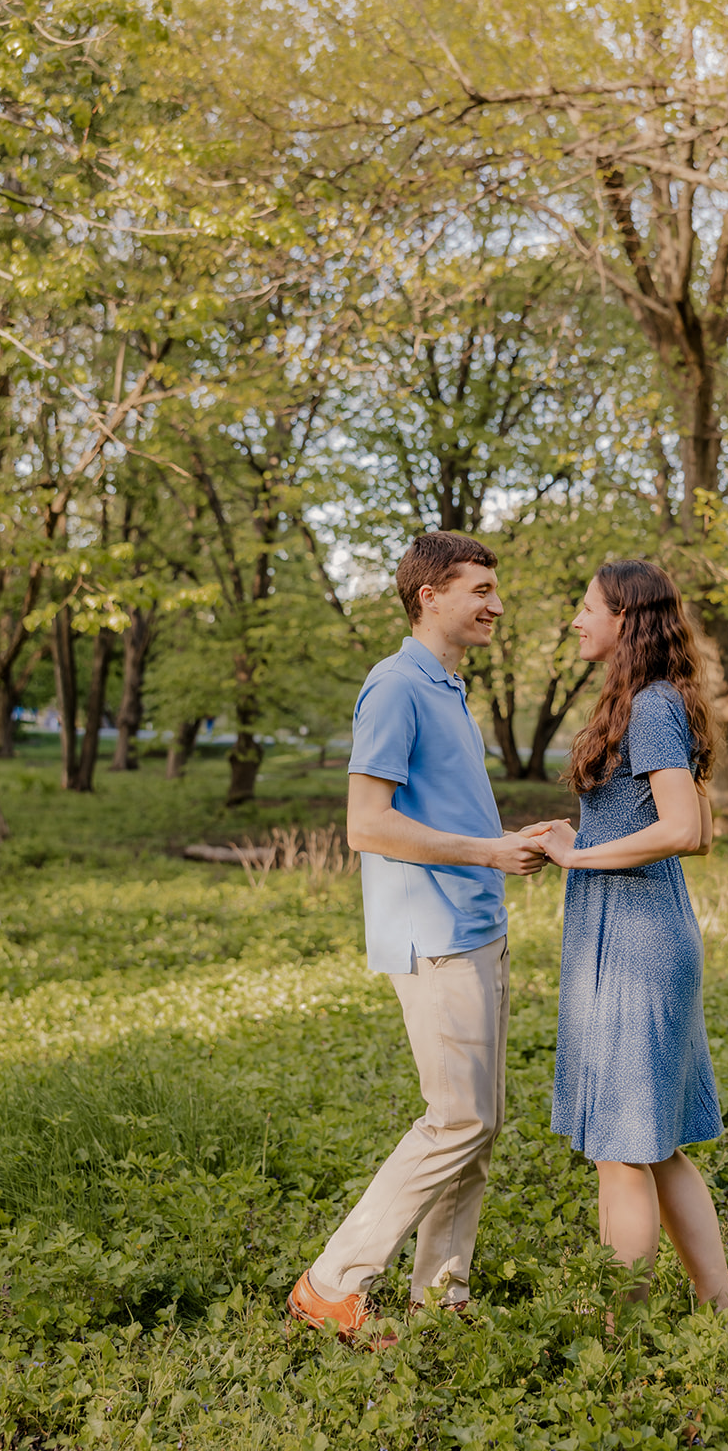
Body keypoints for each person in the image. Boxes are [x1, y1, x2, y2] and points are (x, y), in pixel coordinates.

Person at [287, 531, 546, 1343]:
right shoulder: (395, 686)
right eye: (479, 589)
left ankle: (441, 1294)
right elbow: (367, 826)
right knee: (456, 1119)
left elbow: (442, 814)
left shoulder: (448, 688)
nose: (495, 604)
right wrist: (487, 851)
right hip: (433, 935)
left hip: (475, 923)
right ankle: (333, 1284)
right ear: (428, 595)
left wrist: (505, 839)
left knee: (480, 1121)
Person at [529, 560, 728, 1318]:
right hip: (629, 932)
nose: (576, 620)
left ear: (625, 619)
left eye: (586, 608)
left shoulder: (650, 705)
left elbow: (685, 830)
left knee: (620, 1147)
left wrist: (580, 855)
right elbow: (662, 820)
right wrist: (578, 833)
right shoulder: (648, 701)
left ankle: (617, 1336)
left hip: (637, 941)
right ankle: (722, 1314)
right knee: (653, 1144)